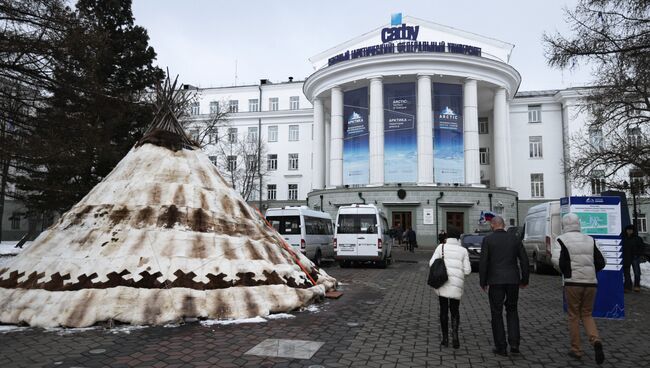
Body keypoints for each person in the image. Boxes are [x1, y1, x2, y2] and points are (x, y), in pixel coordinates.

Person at [551, 213, 605, 364]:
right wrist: (591, 272)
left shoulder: (561, 240)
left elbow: (556, 260)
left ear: (564, 225)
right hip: (591, 283)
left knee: (573, 315)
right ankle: (596, 340)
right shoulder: (590, 239)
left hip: (573, 282)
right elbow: (602, 261)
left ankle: (576, 350)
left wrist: (566, 272)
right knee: (587, 314)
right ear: (578, 224)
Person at [479, 215, 529, 356]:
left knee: (496, 313)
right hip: (513, 280)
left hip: (495, 281)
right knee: (512, 310)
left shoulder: (488, 240)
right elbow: (524, 261)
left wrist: (483, 281)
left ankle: (501, 346)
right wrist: (524, 280)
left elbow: (483, 263)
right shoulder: (515, 239)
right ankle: (514, 344)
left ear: (492, 225)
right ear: (504, 224)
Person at [429, 229, 471, 349]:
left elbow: (431, 263)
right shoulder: (463, 250)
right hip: (456, 285)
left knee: (443, 310)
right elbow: (467, 270)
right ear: (459, 238)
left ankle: (445, 339)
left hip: (442, 282)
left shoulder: (440, 247)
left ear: (447, 237)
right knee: (455, 310)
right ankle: (455, 337)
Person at [622, 224, 644, 293]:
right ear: (626, 231)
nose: (629, 231)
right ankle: (628, 286)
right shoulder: (623, 238)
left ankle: (637, 286)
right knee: (626, 273)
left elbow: (642, 248)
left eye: (631, 230)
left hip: (635, 257)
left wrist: (638, 255)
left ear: (633, 231)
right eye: (628, 230)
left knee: (637, 272)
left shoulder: (638, 238)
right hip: (626, 257)